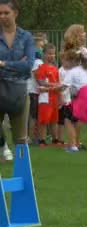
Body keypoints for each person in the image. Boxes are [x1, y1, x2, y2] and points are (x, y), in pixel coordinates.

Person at [0, 0, 35, 160]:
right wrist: (17, 64)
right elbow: (22, 64)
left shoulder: (26, 37)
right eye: (0, 14)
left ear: (15, 13)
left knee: (21, 138)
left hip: (19, 90)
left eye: (6, 13)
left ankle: (23, 172)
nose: (3, 16)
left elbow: (28, 65)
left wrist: (3, 63)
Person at [35, 43, 61, 147]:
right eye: (49, 53)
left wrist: (59, 88)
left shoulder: (55, 68)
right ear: (44, 54)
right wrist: (54, 85)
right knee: (44, 120)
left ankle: (55, 139)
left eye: (53, 54)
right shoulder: (41, 67)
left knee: (54, 120)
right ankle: (42, 140)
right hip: (45, 98)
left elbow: (58, 82)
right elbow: (41, 82)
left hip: (54, 97)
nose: (51, 56)